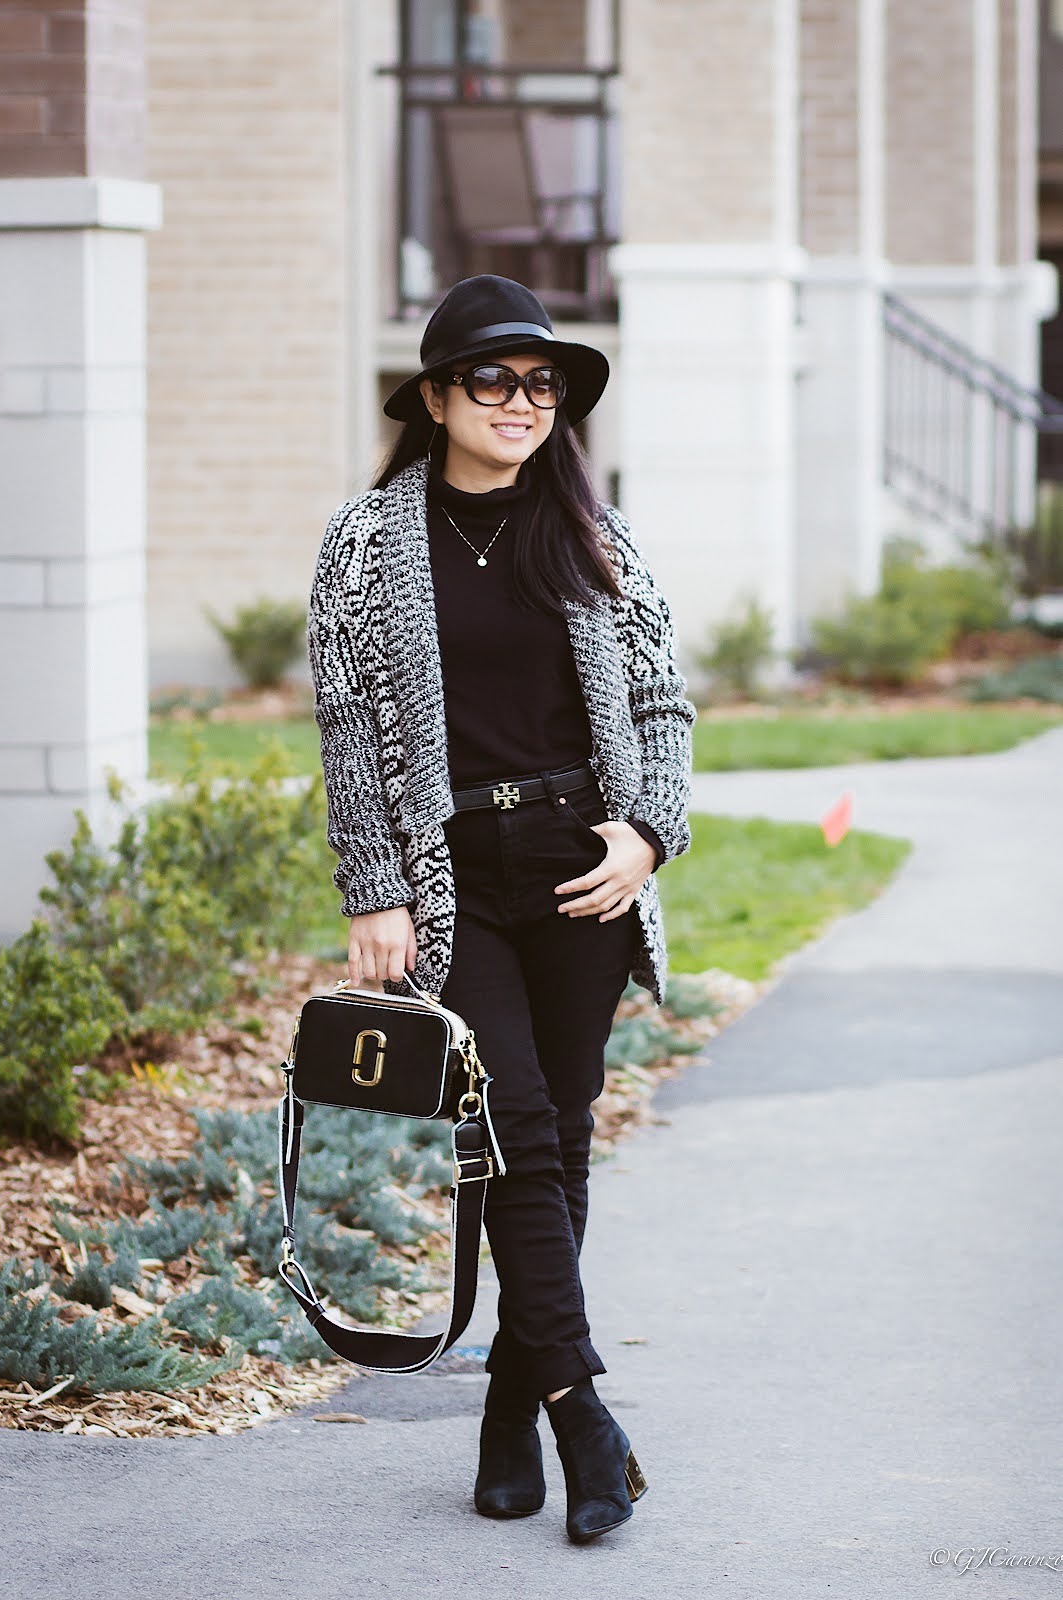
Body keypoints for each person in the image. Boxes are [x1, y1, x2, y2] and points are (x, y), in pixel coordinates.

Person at [306, 275, 695, 1544]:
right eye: (492, 380)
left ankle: (506, 1411)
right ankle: (586, 1416)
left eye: (541, 385)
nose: (521, 403)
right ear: (434, 398)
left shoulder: (595, 533)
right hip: (454, 875)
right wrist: (373, 888)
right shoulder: (367, 543)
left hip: (585, 864)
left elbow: (660, 707)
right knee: (515, 1123)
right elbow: (351, 734)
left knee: (562, 1132)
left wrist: (648, 833)